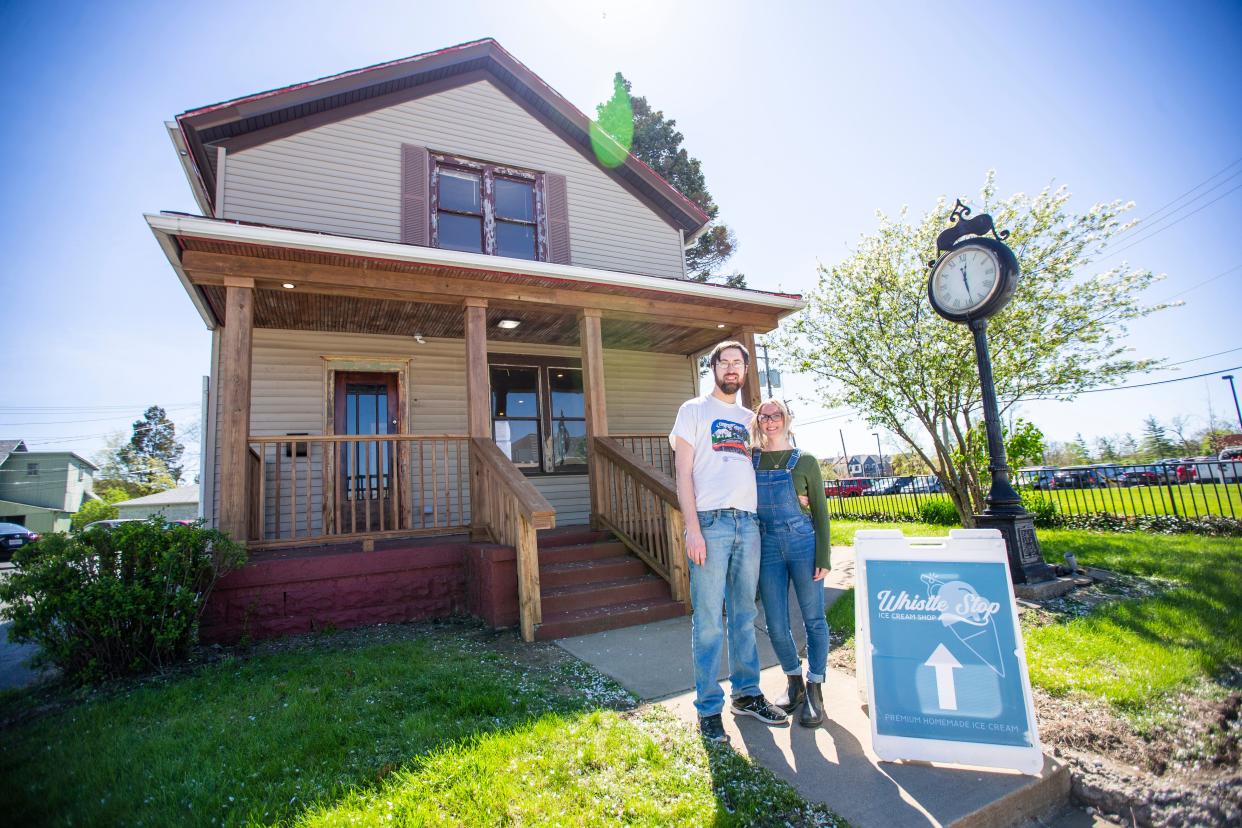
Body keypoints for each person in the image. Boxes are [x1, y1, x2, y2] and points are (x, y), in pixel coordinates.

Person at [670, 341, 790, 743]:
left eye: (739, 362)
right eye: (726, 362)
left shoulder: (749, 419)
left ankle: (747, 694)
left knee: (743, 616)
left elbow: (776, 458)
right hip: (711, 522)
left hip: (748, 524)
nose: (733, 368)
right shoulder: (693, 410)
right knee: (708, 621)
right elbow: (683, 474)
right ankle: (707, 709)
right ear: (714, 367)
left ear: (746, 369)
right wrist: (692, 528)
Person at [752, 397, 831, 727]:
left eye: (776, 415)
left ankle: (815, 688)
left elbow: (821, 512)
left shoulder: (806, 460)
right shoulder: (750, 459)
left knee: (814, 618)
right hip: (767, 544)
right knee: (775, 622)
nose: (770, 421)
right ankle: (794, 681)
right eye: (764, 416)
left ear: (787, 419)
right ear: (757, 422)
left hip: (802, 542)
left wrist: (823, 556)